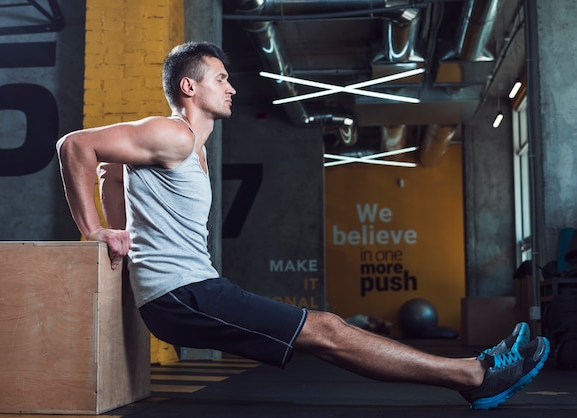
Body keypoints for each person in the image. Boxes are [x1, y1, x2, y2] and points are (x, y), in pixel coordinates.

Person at [57, 41, 549, 410]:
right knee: (328, 330)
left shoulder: (189, 148)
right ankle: (474, 376)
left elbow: (111, 167)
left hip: (193, 290)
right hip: (182, 296)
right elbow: (76, 147)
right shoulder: (172, 133)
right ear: (190, 86)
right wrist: (96, 231)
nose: (232, 87)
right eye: (221, 78)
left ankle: (476, 371)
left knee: (327, 334)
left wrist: (125, 234)